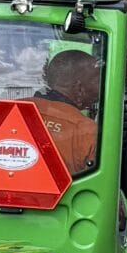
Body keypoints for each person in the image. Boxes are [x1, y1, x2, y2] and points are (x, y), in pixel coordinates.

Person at [35, 43, 103, 176]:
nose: (100, 89)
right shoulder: (87, 132)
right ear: (79, 89)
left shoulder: (8, 114)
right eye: (97, 81)